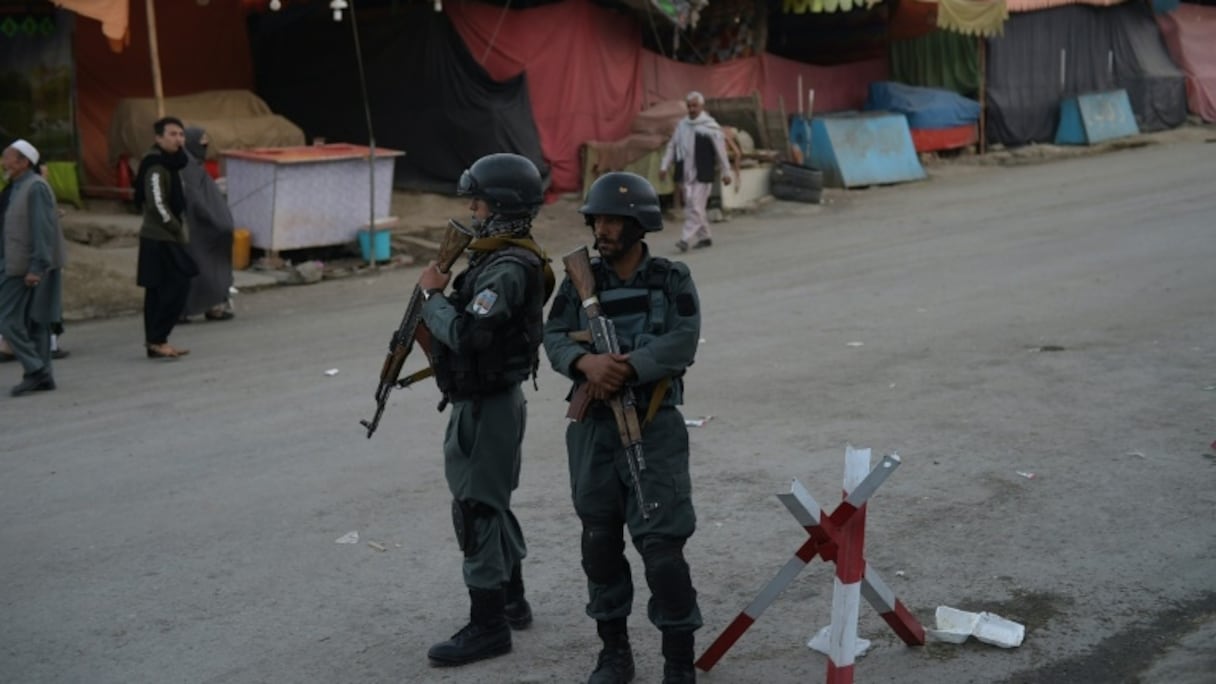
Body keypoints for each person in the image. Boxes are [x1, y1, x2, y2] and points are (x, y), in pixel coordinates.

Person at [543, 172, 703, 683]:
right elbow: (552, 335)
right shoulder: (579, 280)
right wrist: (584, 365)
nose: (603, 229)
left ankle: (678, 660)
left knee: (662, 551)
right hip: (593, 428)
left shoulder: (671, 278)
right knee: (598, 542)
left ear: (639, 226)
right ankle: (614, 653)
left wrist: (630, 366)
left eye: (614, 220)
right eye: (598, 219)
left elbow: (683, 341)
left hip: (653, 426)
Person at [418, 152, 555, 667]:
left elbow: (471, 336)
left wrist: (432, 299)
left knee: (476, 512)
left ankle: (488, 625)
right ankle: (512, 600)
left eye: (478, 200)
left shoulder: (508, 267)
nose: (472, 209)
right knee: (488, 503)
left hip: (489, 405)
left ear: (500, 206)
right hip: (482, 402)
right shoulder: (495, 257)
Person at [1, 139, 67, 397]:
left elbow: (43, 230)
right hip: (15, 261)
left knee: (7, 321)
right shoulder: (16, 186)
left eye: (7, 158)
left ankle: (36, 368)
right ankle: (42, 376)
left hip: (26, 265)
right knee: (35, 322)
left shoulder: (35, 187)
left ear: (23, 162)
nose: (3, 163)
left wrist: (37, 267)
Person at [134, 116, 197, 358]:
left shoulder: (174, 163)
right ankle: (157, 339)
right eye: (172, 134)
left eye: (181, 134)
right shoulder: (156, 166)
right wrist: (175, 228)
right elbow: (157, 203)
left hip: (166, 235)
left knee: (159, 289)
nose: (178, 139)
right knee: (176, 285)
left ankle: (156, 341)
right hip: (160, 237)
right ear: (158, 138)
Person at [659, 91, 733, 253]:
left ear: (701, 106)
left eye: (695, 106)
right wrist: (664, 166)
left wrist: (727, 172)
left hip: (703, 173)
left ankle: (685, 239)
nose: (692, 109)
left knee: (695, 206)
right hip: (686, 173)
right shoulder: (682, 125)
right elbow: (672, 146)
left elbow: (721, 151)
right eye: (689, 106)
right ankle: (705, 237)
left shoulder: (710, 126)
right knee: (694, 205)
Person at [180, 126, 235, 322]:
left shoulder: (195, 165)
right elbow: (193, 199)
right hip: (196, 228)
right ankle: (183, 310)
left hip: (208, 227)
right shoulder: (186, 167)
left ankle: (214, 306)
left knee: (211, 268)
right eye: (201, 144)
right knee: (197, 268)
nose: (204, 148)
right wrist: (212, 218)